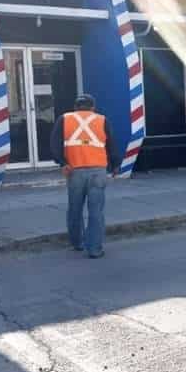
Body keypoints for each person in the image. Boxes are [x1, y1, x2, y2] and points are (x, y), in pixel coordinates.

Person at [49, 94, 121, 259]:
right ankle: (94, 249)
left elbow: (54, 144)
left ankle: (77, 243)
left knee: (74, 209)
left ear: (75, 107)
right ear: (93, 107)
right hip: (98, 171)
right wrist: (115, 165)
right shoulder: (102, 120)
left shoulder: (64, 119)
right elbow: (112, 144)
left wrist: (62, 162)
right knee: (96, 211)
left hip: (74, 171)